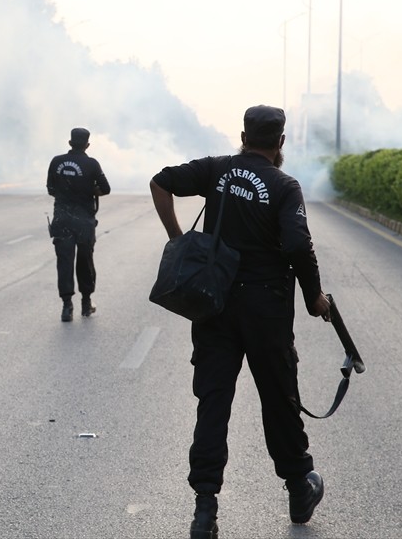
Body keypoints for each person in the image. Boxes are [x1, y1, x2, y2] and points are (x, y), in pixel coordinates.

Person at [148, 105, 331, 539]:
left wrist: (180, 241)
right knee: (280, 399)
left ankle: (205, 509)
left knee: (214, 403)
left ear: (243, 136)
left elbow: (160, 183)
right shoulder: (285, 186)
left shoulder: (216, 170)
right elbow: (297, 244)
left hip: (215, 304)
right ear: (280, 143)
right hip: (266, 311)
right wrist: (314, 297)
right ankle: (299, 486)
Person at [46, 127, 111, 322]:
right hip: (84, 221)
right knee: (85, 261)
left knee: (64, 262)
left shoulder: (56, 161)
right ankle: (86, 302)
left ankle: (67, 307)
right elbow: (105, 189)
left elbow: (50, 189)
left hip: (62, 219)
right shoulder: (91, 164)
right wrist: (90, 191)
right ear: (87, 145)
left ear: (69, 143)